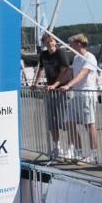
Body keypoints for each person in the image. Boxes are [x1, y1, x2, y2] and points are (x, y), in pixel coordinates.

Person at [59, 33, 100, 163]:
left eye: (71, 44)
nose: (70, 47)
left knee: (89, 124)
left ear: (78, 44)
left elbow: (82, 74)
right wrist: (54, 85)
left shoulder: (89, 57)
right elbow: (69, 73)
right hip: (75, 95)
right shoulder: (76, 58)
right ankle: (78, 152)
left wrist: (68, 85)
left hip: (87, 95)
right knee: (69, 122)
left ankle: (93, 154)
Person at [36, 33, 74, 161]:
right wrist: (35, 83)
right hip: (51, 91)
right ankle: (57, 146)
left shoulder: (61, 53)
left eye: (52, 41)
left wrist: (55, 85)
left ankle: (71, 147)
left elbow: (64, 72)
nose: (50, 44)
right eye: (47, 42)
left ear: (55, 42)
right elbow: (41, 69)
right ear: (44, 44)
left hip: (63, 90)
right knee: (52, 121)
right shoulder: (43, 55)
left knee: (67, 120)